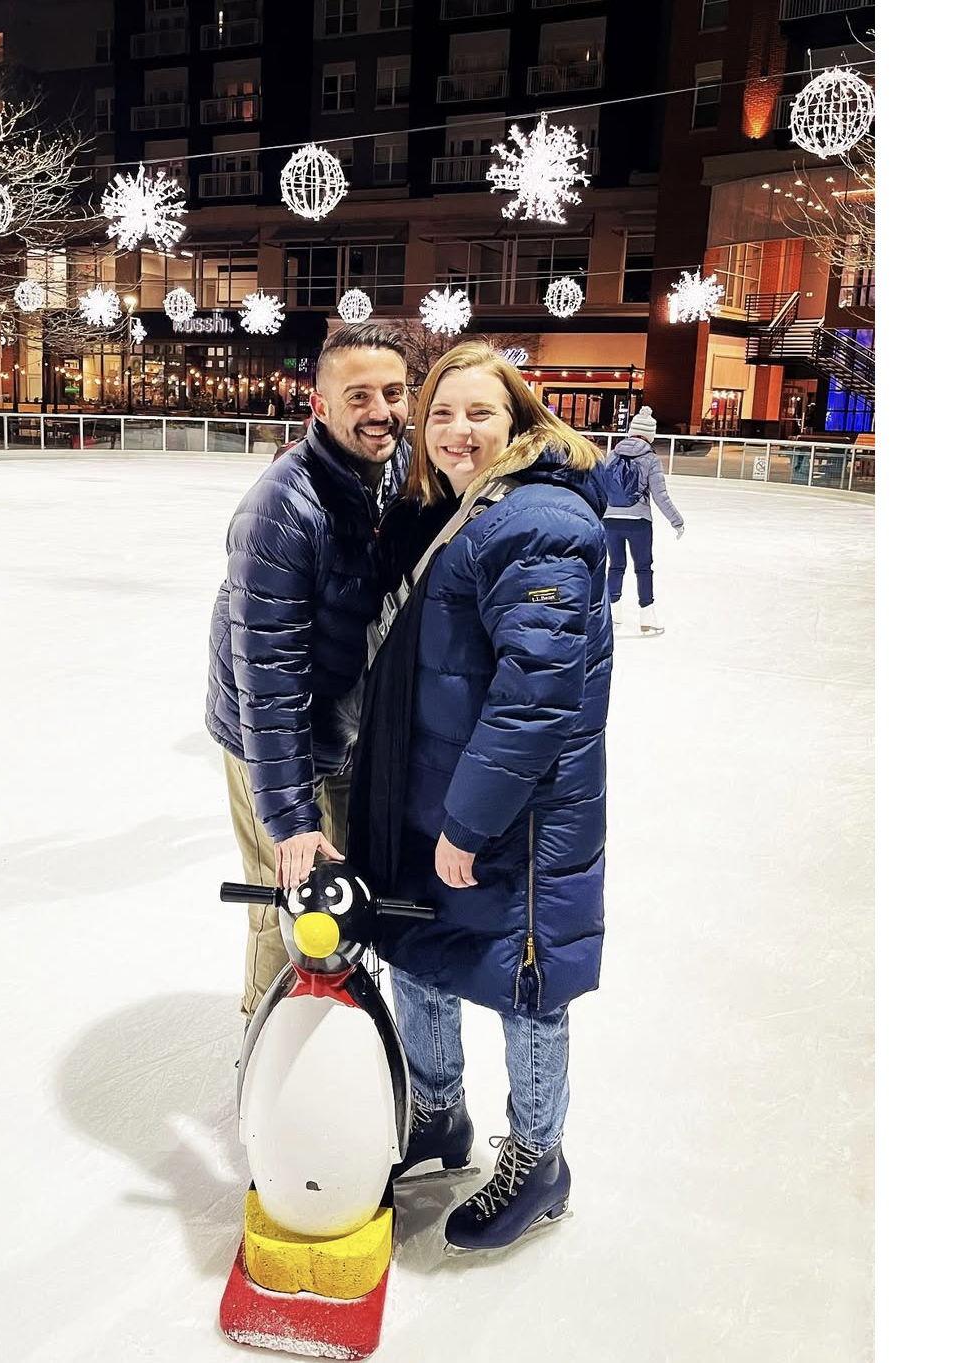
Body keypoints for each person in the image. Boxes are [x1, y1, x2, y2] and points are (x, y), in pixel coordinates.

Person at [348, 341, 613, 1254]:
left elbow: (534, 691)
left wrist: (469, 819)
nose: (457, 431)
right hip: (435, 798)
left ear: (520, 421)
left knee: (522, 980)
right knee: (420, 952)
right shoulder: (464, 510)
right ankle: (439, 1116)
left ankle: (539, 1158)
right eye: (441, 414)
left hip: (514, 821)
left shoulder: (538, 519)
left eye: (479, 413)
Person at [206, 322, 412, 1020]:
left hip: (350, 727)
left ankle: (342, 1032)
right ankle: (267, 1052)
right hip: (279, 739)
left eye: (392, 391)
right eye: (358, 395)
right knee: (289, 898)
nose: (379, 409)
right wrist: (291, 819)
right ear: (319, 407)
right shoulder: (280, 510)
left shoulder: (401, 469)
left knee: (349, 894)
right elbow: (268, 679)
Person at [603, 406, 684, 637]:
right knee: (643, 568)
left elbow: (600, 487)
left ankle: (611, 615)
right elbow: (660, 496)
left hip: (610, 520)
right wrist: (676, 521)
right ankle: (647, 618)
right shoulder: (650, 459)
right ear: (650, 435)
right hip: (638, 521)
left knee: (616, 566)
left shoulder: (612, 454)